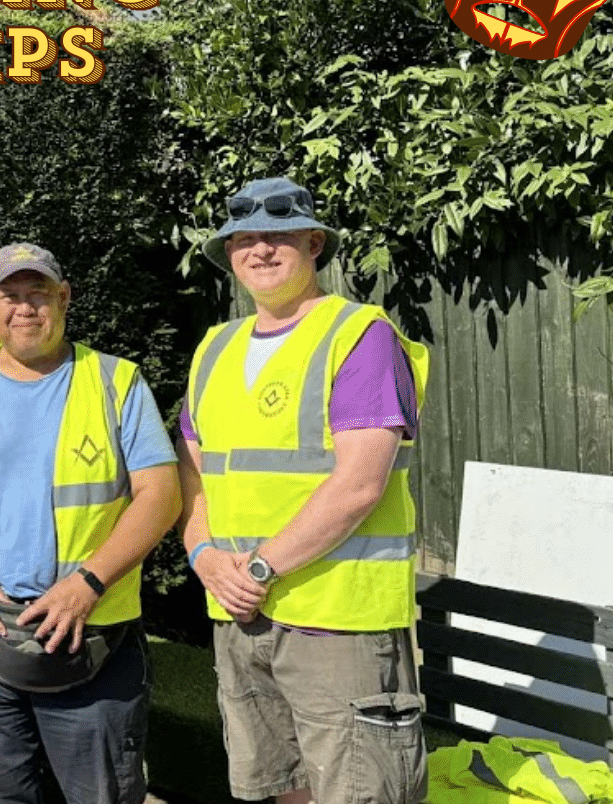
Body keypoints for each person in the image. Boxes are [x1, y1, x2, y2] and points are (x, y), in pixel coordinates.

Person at [177, 176, 431, 804]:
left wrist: (259, 567)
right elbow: (194, 477)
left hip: (338, 622)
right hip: (240, 616)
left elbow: (359, 484)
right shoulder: (214, 347)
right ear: (229, 254)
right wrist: (204, 557)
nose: (260, 249)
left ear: (314, 244)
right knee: (278, 789)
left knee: (357, 793)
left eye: (279, 236)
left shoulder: (360, 335)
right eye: (244, 239)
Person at [0, 243, 180, 804]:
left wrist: (88, 583)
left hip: (91, 634)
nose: (24, 308)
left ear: (64, 298)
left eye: (39, 294)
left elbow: (162, 495)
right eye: (10, 295)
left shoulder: (114, 381)